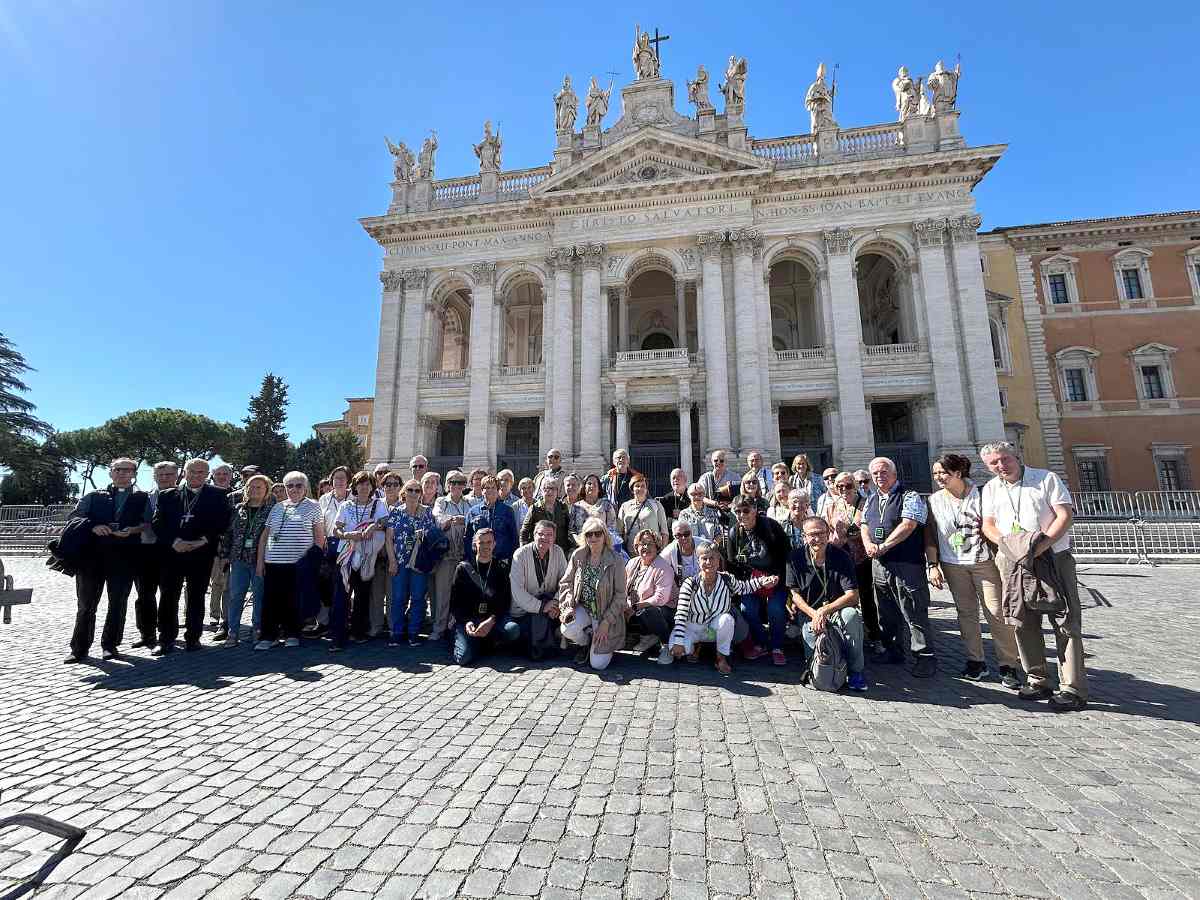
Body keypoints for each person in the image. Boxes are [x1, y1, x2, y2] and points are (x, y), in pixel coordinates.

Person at [980, 441, 1086, 711]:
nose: (1001, 466)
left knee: (1065, 619)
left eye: (1005, 459)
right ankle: (1037, 678)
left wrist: (1039, 546)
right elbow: (988, 525)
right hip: (1013, 560)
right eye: (994, 463)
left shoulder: (1046, 478)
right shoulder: (991, 488)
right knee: (1022, 618)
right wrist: (1010, 547)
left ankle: (1072, 687)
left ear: (1017, 455)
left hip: (1052, 556)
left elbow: (1064, 515)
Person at [925, 454, 1021, 687]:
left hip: (984, 561)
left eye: (942, 473)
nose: (938, 477)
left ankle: (1008, 664)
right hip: (953, 563)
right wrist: (933, 565)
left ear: (958, 473)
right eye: (936, 473)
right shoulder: (934, 500)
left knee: (996, 612)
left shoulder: (982, 495)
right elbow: (930, 533)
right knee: (966, 613)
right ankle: (975, 661)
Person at [64, 457, 147, 662]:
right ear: (110, 473)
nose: (122, 473)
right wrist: (92, 526)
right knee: (86, 604)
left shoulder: (142, 497)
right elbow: (74, 517)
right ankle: (79, 648)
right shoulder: (93, 495)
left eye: (127, 470)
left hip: (125, 557)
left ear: (134, 474)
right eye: (118, 469)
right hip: (92, 558)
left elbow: (147, 522)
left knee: (118, 603)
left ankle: (110, 645)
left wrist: (133, 530)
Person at [861, 457, 936, 677]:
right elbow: (864, 523)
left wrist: (884, 546)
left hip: (906, 563)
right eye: (875, 474)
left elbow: (909, 524)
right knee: (885, 611)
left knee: (913, 610)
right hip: (879, 563)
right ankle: (893, 651)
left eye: (883, 472)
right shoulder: (872, 497)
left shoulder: (909, 496)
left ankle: (925, 657)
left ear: (894, 474)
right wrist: (868, 544)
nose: (879, 477)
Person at [153, 458, 231, 654]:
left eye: (201, 472)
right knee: (169, 597)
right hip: (173, 553)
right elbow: (157, 523)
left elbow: (223, 523)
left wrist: (202, 540)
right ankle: (166, 640)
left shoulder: (218, 494)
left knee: (197, 597)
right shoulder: (167, 495)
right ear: (184, 473)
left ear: (207, 475)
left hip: (202, 553)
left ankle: (193, 638)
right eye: (193, 472)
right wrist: (174, 542)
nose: (197, 475)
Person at [786, 516, 869, 691]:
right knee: (816, 655)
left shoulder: (841, 556)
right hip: (809, 613)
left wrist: (825, 610)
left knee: (852, 616)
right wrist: (814, 613)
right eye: (812, 534)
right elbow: (794, 595)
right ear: (804, 537)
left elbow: (853, 595)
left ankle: (855, 672)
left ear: (828, 534)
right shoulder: (795, 558)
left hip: (837, 609)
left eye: (822, 533)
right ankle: (824, 670)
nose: (817, 539)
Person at [669, 543, 778, 675]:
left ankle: (721, 658)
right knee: (677, 651)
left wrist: (762, 581)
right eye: (704, 558)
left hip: (714, 630)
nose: (708, 562)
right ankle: (695, 647)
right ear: (698, 561)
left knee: (727, 619)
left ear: (718, 560)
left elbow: (744, 587)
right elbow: (681, 613)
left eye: (712, 558)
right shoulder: (689, 584)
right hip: (693, 627)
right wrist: (679, 641)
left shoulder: (727, 579)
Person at [254, 471, 324, 651]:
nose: (294, 489)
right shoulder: (277, 507)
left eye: (298, 485)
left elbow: (319, 538)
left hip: (298, 564)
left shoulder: (314, 506)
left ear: (305, 487)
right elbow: (264, 537)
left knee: (293, 601)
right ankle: (269, 636)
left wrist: (311, 563)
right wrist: (260, 563)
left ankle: (292, 633)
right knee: (270, 601)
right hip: (273, 562)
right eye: (289, 486)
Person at [726, 496, 792, 665]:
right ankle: (762, 642)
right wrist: (745, 583)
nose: (742, 515)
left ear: (755, 509)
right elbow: (732, 563)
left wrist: (778, 577)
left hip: (775, 578)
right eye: (738, 511)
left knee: (776, 609)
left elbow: (787, 555)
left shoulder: (771, 527)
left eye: (746, 510)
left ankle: (777, 646)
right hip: (752, 581)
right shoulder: (734, 532)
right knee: (747, 609)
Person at [558, 516, 627, 670]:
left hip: (605, 613)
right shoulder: (578, 555)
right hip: (583, 607)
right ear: (585, 537)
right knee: (567, 629)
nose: (593, 537)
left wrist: (605, 623)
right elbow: (566, 582)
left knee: (598, 665)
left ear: (605, 536)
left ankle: (600, 639)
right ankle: (586, 642)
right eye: (589, 534)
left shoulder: (616, 560)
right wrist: (568, 605)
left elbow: (621, 595)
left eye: (597, 533)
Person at [331, 471, 391, 651]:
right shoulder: (346, 506)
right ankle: (338, 636)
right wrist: (350, 535)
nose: (364, 487)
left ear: (373, 487)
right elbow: (336, 530)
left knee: (363, 596)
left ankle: (358, 632)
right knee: (342, 596)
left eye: (368, 484)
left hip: (367, 556)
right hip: (347, 556)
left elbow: (386, 521)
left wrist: (373, 526)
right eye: (361, 484)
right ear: (355, 486)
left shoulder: (378, 504)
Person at [826, 472, 880, 651]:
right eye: (839, 486)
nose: (843, 489)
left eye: (848, 486)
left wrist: (850, 534)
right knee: (842, 596)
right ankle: (845, 632)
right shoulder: (833, 504)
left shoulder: (866, 504)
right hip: (842, 558)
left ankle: (874, 634)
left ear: (855, 486)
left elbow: (870, 529)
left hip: (861, 559)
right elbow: (829, 529)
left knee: (866, 597)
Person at [450, 529, 520, 665]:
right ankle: (467, 640)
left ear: (494, 544)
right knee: (463, 658)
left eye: (489, 542)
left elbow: (505, 601)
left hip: (492, 620)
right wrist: (467, 622)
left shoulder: (501, 568)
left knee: (513, 630)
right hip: (469, 620)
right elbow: (455, 602)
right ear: (475, 545)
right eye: (481, 543)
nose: (485, 546)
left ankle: (484, 642)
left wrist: (491, 620)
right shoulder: (463, 569)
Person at [220, 474, 273, 646]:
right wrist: (224, 555)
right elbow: (228, 534)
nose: (254, 490)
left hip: (260, 560)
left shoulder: (272, 510)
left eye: (259, 487)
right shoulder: (237, 508)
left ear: (266, 491)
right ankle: (232, 632)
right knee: (236, 596)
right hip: (239, 559)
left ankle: (257, 629)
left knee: (259, 596)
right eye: (251, 486)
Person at [132, 460, 179, 650]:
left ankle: (167, 637)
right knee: (144, 595)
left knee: (169, 596)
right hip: (145, 550)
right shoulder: (142, 497)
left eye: (169, 475)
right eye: (160, 475)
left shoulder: (183, 497)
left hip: (171, 551)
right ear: (154, 477)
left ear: (176, 476)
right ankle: (147, 634)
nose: (165, 478)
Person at [387, 478, 438, 646]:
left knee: (418, 598)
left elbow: (431, 539)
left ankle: (413, 633)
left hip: (419, 563)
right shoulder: (396, 511)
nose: (413, 494)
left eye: (417, 491)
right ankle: (397, 633)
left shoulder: (427, 512)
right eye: (410, 490)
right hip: (400, 561)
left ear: (421, 494)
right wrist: (392, 561)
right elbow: (389, 539)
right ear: (404, 492)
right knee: (399, 597)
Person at [509, 519, 567, 659]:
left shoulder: (558, 552)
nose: (544, 538)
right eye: (540, 534)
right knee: (515, 631)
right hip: (524, 612)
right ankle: (539, 647)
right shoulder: (520, 555)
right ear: (534, 535)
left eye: (549, 535)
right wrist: (542, 607)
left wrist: (556, 602)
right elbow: (517, 592)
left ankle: (546, 643)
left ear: (554, 537)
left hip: (550, 605)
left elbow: (566, 582)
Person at [624, 529, 676, 665]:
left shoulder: (663, 567)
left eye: (650, 544)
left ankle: (666, 645)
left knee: (648, 612)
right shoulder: (632, 563)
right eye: (642, 544)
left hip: (664, 611)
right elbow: (624, 588)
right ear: (636, 547)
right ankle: (648, 637)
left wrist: (635, 607)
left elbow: (660, 598)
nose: (646, 547)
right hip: (636, 608)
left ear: (657, 546)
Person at [431, 470, 472, 641]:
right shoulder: (441, 501)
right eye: (452, 482)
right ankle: (439, 628)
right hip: (446, 555)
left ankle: (458, 627)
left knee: (463, 594)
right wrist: (455, 520)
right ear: (447, 485)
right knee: (443, 594)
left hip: (463, 555)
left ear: (464, 486)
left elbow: (473, 520)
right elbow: (438, 519)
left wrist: (463, 520)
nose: (455, 486)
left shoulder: (469, 503)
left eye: (459, 483)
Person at [314, 466, 351, 639]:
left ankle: (340, 625)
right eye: (336, 478)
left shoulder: (354, 498)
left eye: (342, 478)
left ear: (348, 480)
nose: (339, 481)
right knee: (324, 586)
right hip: (328, 546)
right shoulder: (324, 499)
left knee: (341, 588)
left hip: (348, 547)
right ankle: (323, 622)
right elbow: (320, 523)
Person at [207, 464, 236, 635]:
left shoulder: (237, 495)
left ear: (231, 476)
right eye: (218, 474)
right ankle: (213, 614)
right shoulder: (206, 493)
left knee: (226, 583)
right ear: (213, 476)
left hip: (229, 544)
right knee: (214, 581)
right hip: (207, 543)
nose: (222, 476)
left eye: (225, 474)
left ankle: (224, 618)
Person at [465, 475, 519, 564]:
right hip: (479, 560)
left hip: (501, 560)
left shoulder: (507, 511)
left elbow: (514, 538)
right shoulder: (473, 511)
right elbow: (467, 537)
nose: (490, 490)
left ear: (498, 490)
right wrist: (471, 559)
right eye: (487, 488)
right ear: (482, 491)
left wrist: (510, 560)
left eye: (493, 487)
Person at [520, 476, 574, 555]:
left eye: (552, 489)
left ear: (557, 491)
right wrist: (524, 550)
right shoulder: (534, 508)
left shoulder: (563, 507)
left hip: (560, 551)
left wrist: (571, 549)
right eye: (546, 488)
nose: (549, 492)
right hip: (540, 552)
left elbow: (569, 529)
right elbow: (524, 532)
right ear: (541, 491)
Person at [660, 519, 709, 603]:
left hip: (706, 589)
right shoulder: (669, 551)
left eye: (686, 534)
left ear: (691, 533)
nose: (683, 538)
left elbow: (719, 560)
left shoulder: (704, 545)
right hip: (683, 594)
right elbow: (658, 567)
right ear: (674, 537)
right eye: (678, 535)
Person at [617, 475, 669, 549]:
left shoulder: (656, 505)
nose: (640, 488)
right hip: (631, 552)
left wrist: (663, 552)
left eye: (643, 486)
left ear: (646, 489)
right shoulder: (625, 506)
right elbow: (618, 532)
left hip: (652, 551)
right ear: (632, 489)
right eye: (637, 486)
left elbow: (664, 532)